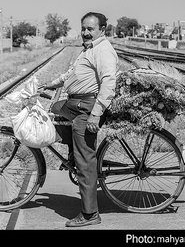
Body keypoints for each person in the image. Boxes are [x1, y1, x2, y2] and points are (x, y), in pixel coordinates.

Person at [39, 12, 118, 227]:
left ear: (102, 30)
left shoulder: (103, 51)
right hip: (75, 103)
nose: (85, 32)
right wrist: (52, 84)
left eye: (90, 29)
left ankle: (90, 214)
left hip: (87, 108)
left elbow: (109, 82)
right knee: (55, 108)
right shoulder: (89, 49)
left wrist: (95, 114)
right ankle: (74, 152)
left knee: (85, 161)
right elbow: (71, 73)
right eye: (83, 28)